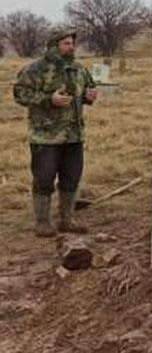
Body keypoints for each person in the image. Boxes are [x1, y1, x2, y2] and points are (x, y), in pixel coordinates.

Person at [13, 29, 98, 237]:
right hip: (46, 136)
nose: (71, 47)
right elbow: (20, 93)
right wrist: (49, 100)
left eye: (72, 43)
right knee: (44, 179)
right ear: (54, 45)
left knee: (71, 178)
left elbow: (88, 90)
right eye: (66, 43)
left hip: (74, 135)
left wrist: (90, 96)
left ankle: (67, 220)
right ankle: (42, 222)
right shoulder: (34, 70)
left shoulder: (78, 69)